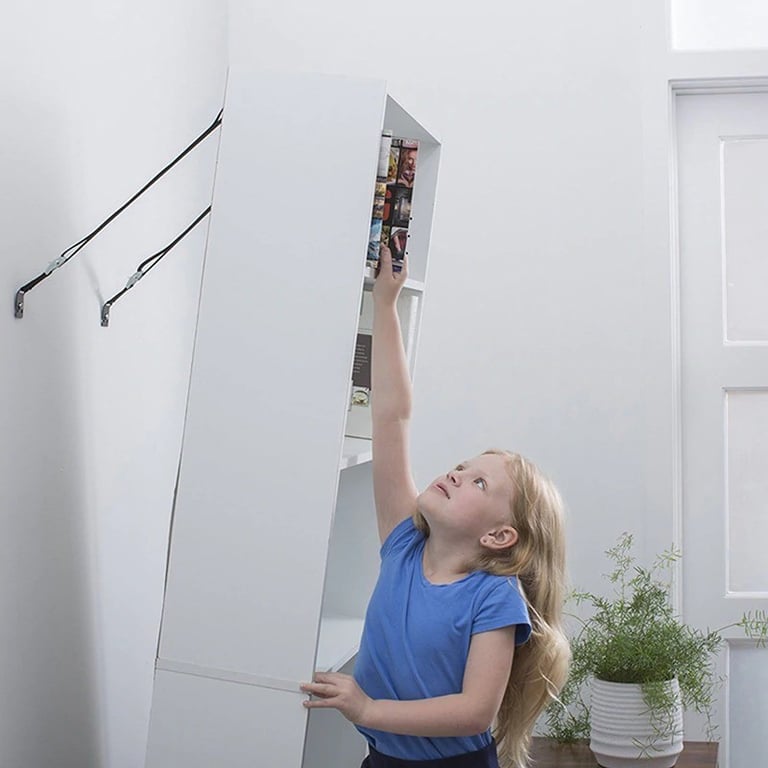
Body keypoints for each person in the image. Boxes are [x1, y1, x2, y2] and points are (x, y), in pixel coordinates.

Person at [301, 246, 571, 768]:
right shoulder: (404, 545)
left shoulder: (494, 598)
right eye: (462, 466)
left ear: (499, 536)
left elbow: (473, 712)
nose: (455, 473)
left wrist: (368, 708)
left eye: (478, 482)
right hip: (381, 758)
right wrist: (385, 305)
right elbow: (391, 419)